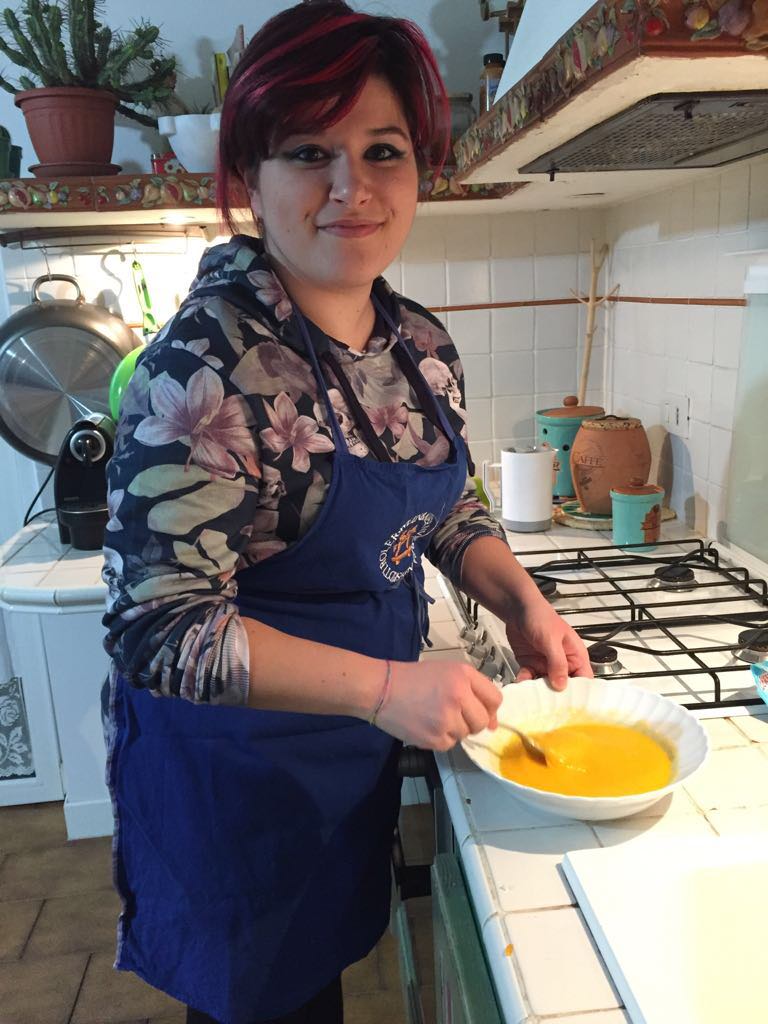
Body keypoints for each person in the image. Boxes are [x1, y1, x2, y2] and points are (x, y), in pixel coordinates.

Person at [101, 3, 592, 1023]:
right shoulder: (205, 367)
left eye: (383, 150)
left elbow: (446, 504)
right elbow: (158, 629)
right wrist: (384, 687)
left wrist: (521, 601)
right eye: (308, 152)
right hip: (237, 785)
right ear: (250, 173)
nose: (351, 187)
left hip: (343, 757)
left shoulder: (419, 344)